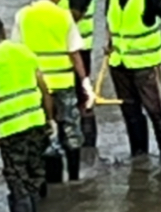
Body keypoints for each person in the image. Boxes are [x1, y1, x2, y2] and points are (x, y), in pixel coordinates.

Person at [0, 17, 53, 212]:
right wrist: (49, 119)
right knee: (35, 172)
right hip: (36, 123)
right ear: (4, 31)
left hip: (11, 130)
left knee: (17, 179)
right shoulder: (25, 52)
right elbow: (44, 88)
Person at [11, 0, 94, 182]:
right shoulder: (64, 16)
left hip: (35, 86)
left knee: (43, 131)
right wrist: (85, 81)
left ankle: (49, 180)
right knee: (70, 130)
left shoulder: (23, 15)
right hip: (63, 84)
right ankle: (74, 178)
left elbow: (16, 51)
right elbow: (74, 53)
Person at [106, 0, 161, 161]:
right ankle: (138, 155)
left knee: (154, 111)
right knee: (130, 113)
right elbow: (111, 24)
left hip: (145, 65)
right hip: (119, 64)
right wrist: (109, 43)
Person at [58, 0, 98, 147]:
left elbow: (75, 14)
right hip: (61, 47)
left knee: (82, 98)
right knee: (65, 97)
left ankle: (88, 147)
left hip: (78, 48)